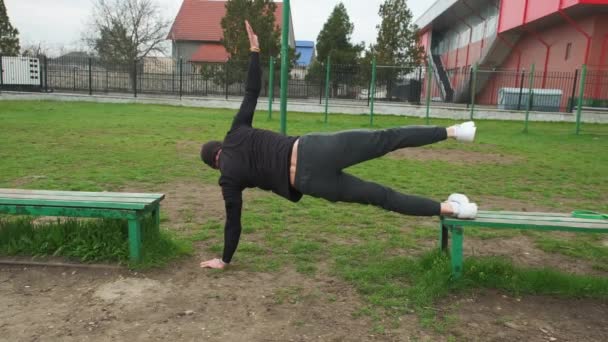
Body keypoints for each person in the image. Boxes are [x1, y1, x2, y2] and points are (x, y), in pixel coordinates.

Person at [199, 21, 478, 269]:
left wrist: (224, 259)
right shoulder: (236, 132)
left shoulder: (228, 181)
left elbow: (233, 222)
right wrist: (255, 51)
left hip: (309, 182)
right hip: (313, 150)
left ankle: (452, 209)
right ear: (220, 145)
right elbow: (252, 91)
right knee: (387, 139)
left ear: (215, 164)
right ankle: (456, 131)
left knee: (382, 196)